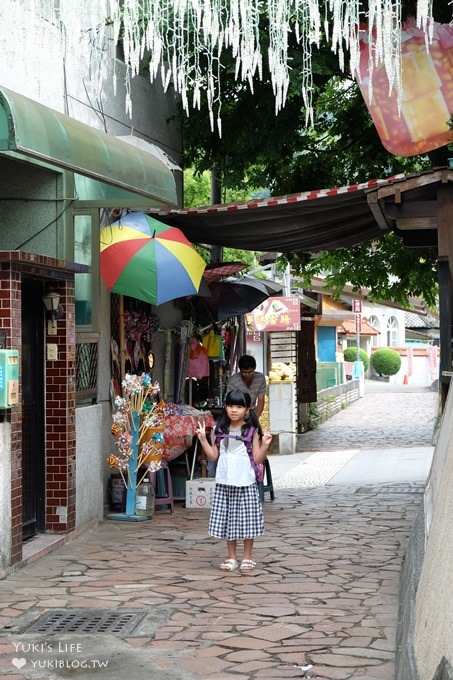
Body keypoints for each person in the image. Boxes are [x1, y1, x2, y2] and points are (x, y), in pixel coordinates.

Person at [196, 389, 272, 573]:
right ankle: (231, 557)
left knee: (248, 521)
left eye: (239, 406)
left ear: (247, 410)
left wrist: (265, 445)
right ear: (225, 407)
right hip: (225, 482)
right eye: (230, 405)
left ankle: (247, 558)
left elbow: (257, 458)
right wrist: (203, 440)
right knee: (228, 520)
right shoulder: (219, 429)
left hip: (245, 482)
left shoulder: (252, 431)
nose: (234, 410)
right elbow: (214, 456)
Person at [226, 354, 266, 419]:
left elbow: (261, 401)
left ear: (254, 368)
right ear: (240, 370)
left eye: (250, 372)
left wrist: (255, 419)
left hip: (252, 413)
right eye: (244, 372)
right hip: (237, 415)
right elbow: (229, 403)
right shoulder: (233, 381)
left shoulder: (260, 378)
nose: (247, 375)